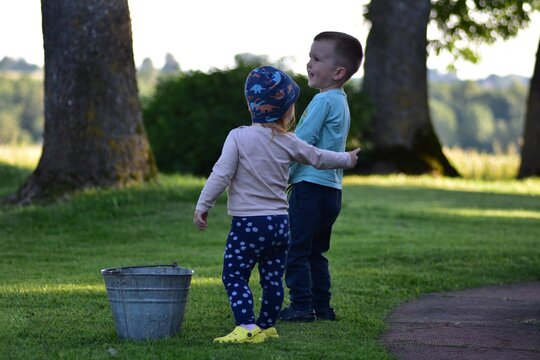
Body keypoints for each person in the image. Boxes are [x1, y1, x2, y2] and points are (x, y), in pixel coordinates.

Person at [194, 65, 360, 344]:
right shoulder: (288, 141)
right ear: (287, 110)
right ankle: (267, 325)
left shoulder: (238, 137)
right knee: (271, 277)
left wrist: (203, 205)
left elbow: (221, 174)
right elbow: (318, 157)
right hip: (280, 224)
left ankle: (247, 325)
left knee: (234, 273)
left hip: (248, 224)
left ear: (252, 106)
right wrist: (346, 159)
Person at [279, 31, 364, 322]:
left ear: (338, 72)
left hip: (310, 188)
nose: (309, 63)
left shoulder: (323, 101)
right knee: (315, 252)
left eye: (317, 59)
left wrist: (278, 172)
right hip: (331, 192)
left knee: (296, 250)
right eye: (310, 57)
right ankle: (322, 307)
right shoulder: (340, 101)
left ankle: (302, 307)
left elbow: (299, 143)